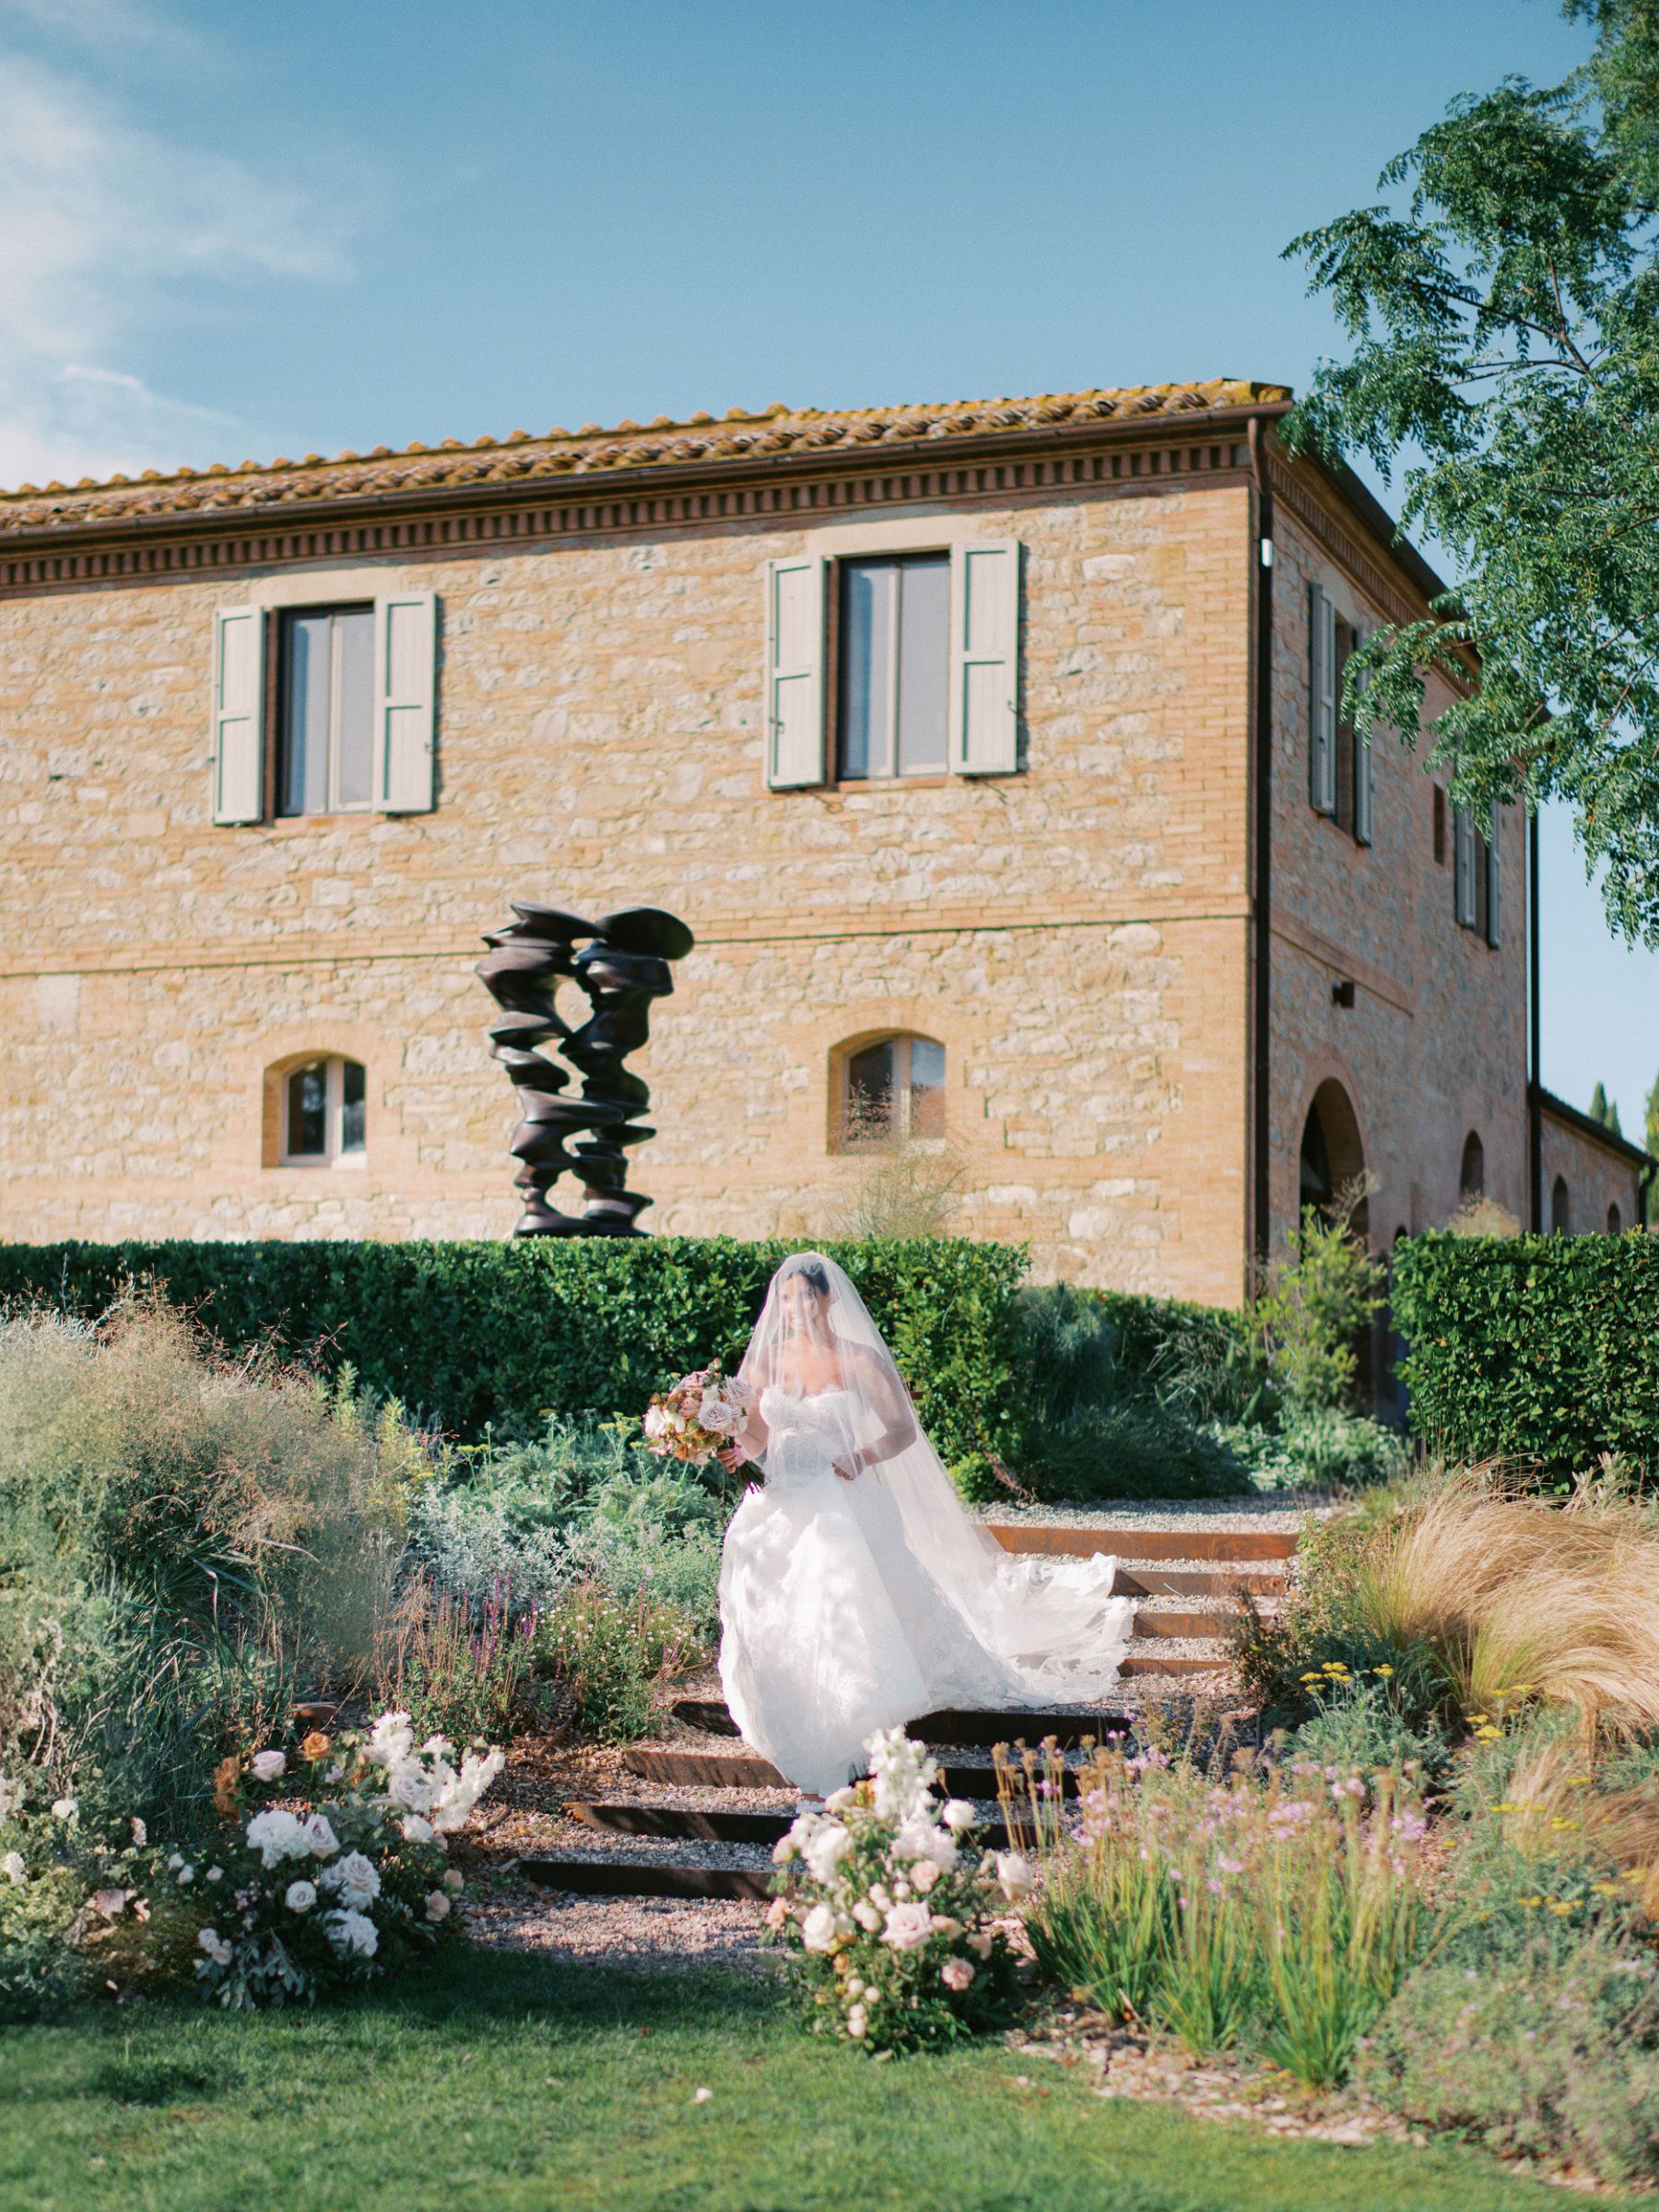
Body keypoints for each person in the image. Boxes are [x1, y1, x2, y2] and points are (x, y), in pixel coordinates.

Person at [714, 1252, 1134, 1802]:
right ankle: (799, 1715)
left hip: (841, 1500)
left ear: (827, 1299)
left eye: (805, 1297)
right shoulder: (766, 1363)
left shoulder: (859, 1359)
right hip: (783, 1501)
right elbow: (758, 1438)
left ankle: (855, 1728)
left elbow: (901, 1430)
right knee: (784, 1612)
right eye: (786, 1297)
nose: (794, 1308)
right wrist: (728, 1449)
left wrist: (862, 1457)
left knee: (841, 1600)